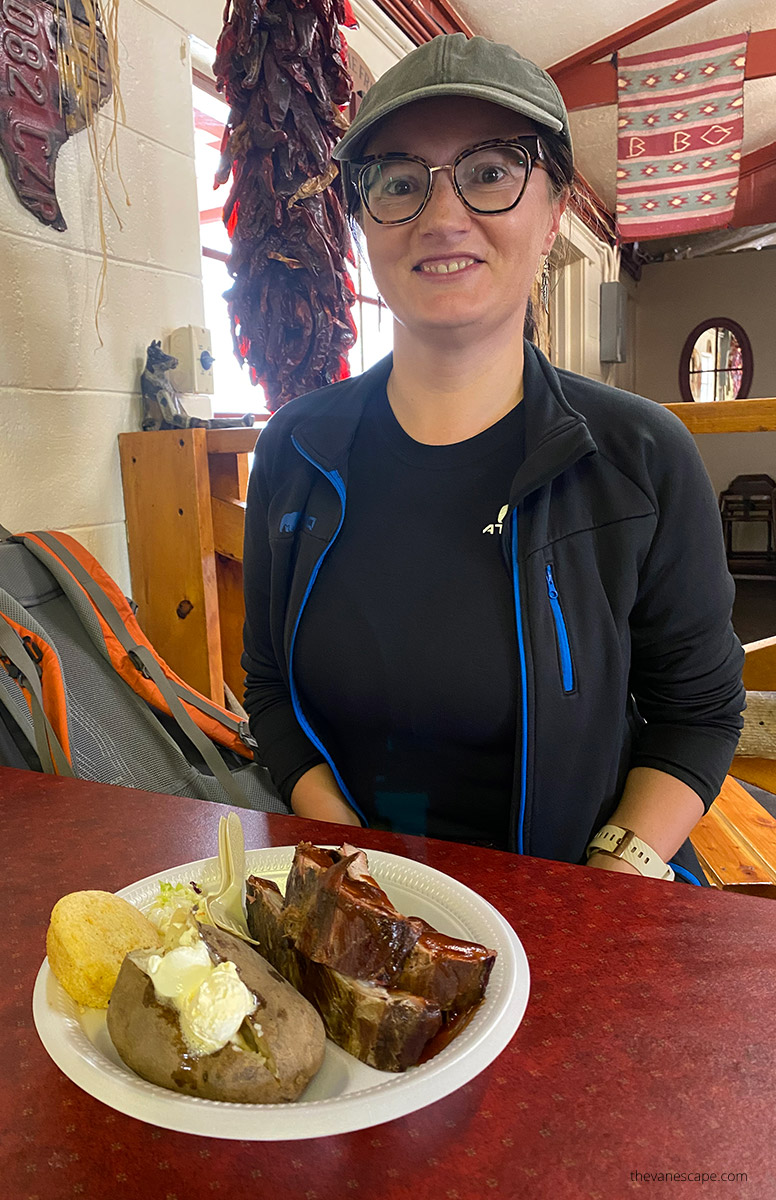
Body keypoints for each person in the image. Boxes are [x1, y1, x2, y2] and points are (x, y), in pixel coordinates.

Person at [241, 34, 745, 883]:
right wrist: (358, 872)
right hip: (357, 901)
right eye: (400, 180)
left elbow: (696, 714)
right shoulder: (295, 447)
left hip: (585, 901)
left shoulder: (642, 456)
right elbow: (270, 691)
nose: (443, 217)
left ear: (553, 213)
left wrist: (602, 886)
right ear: (363, 221)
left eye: (490, 172)